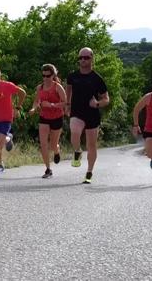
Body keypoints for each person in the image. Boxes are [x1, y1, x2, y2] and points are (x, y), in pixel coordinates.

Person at [65, 47, 110, 184]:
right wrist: (67, 104)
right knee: (74, 132)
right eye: (81, 58)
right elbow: (68, 90)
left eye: (86, 58)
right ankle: (77, 151)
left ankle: (89, 172)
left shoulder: (97, 78)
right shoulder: (72, 76)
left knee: (91, 145)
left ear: (92, 59)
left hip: (92, 114)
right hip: (77, 111)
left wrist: (97, 104)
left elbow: (106, 99)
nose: (83, 60)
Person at [28, 64, 67, 179]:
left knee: (53, 144)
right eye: (43, 75)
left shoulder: (58, 87)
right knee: (43, 144)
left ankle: (56, 151)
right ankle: (48, 169)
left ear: (53, 75)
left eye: (48, 76)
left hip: (57, 117)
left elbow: (65, 103)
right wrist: (33, 109)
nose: (45, 78)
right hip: (44, 117)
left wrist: (51, 105)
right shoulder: (39, 88)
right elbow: (36, 101)